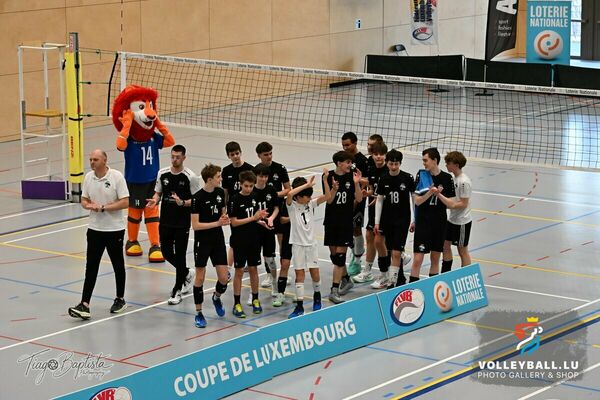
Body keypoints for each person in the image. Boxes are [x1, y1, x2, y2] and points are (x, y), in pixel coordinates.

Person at [68, 149, 129, 320]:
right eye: (90, 159)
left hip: (114, 229)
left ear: (104, 160)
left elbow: (125, 202)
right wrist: (88, 206)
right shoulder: (89, 177)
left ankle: (120, 299)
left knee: (118, 264)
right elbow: (84, 200)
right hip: (95, 229)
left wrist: (103, 208)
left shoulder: (116, 177)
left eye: (95, 159)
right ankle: (84, 304)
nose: (92, 162)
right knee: (91, 267)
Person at [147, 145, 200, 305]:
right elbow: (158, 192)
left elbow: (196, 200)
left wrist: (182, 202)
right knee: (166, 252)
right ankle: (186, 272)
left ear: (184, 158)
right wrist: (155, 200)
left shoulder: (190, 177)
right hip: (165, 220)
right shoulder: (162, 173)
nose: (174, 159)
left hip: (182, 223)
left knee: (181, 254)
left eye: (178, 157)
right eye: (172, 156)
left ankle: (177, 290)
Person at [285, 173, 333, 318]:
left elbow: (328, 196)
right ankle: (299, 306)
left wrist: (325, 180)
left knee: (315, 273)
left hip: (311, 244)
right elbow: (289, 194)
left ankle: (317, 298)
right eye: (306, 196)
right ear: (298, 196)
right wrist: (305, 185)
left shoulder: (310, 204)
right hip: (298, 245)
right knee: (299, 275)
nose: (309, 199)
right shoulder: (291, 206)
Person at [189, 164, 231, 328]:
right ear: (209, 179)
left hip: (217, 239)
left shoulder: (220, 193)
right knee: (200, 277)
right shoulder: (197, 198)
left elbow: (222, 212)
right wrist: (217, 223)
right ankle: (199, 313)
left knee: (224, 278)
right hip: (202, 241)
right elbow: (196, 225)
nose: (220, 179)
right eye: (218, 177)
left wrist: (225, 218)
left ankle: (216, 297)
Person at [409, 148, 456, 282]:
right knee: (418, 259)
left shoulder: (447, 178)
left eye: (426, 160)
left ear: (435, 160)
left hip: (439, 223)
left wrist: (439, 194)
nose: (424, 163)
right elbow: (417, 201)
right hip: (423, 222)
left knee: (435, 258)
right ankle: (412, 287)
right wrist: (430, 193)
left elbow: (451, 204)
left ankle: (432, 287)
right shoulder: (421, 175)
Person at [323, 150, 362, 303]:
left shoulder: (351, 177)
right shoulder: (328, 177)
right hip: (331, 221)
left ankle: (334, 291)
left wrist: (357, 183)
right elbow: (329, 200)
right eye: (347, 162)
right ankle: (346, 279)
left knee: (340, 258)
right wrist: (332, 187)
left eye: (351, 162)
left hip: (345, 223)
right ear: (339, 163)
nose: (350, 165)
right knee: (334, 256)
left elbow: (359, 198)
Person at [373, 149, 416, 288]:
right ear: (387, 163)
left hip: (402, 220)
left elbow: (414, 199)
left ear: (400, 163)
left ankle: (392, 283)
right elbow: (379, 200)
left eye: (396, 164)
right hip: (387, 219)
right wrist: (377, 222)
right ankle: (399, 278)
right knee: (391, 250)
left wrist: (414, 219)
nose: (393, 166)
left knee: (397, 252)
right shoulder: (383, 178)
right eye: (391, 164)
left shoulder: (407, 178)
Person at [229, 170, 269, 318]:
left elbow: (254, 217)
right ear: (241, 184)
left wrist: (260, 221)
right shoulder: (234, 199)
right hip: (239, 240)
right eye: (246, 186)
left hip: (253, 239)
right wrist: (253, 218)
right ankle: (237, 303)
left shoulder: (254, 197)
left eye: (251, 186)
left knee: (253, 269)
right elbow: (234, 222)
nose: (248, 189)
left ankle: (255, 299)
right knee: (239, 271)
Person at [353, 141, 390, 285]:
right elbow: (372, 187)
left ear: (385, 155)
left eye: (381, 154)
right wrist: (368, 193)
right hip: (373, 210)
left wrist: (379, 198)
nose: (378, 157)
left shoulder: (388, 170)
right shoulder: (373, 169)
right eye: (376, 154)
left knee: (379, 241)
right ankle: (367, 271)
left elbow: (390, 192)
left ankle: (385, 274)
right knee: (369, 236)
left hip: (385, 211)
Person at [255, 141, 290, 289]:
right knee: (266, 245)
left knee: (282, 242)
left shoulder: (280, 168)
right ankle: (269, 274)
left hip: (278, 208)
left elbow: (288, 189)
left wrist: (273, 195)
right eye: (266, 154)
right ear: (259, 156)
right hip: (262, 212)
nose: (269, 156)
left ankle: (283, 272)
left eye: (270, 153)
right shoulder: (256, 171)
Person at [434, 151, 472, 271]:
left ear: (456, 165)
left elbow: (464, 203)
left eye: (448, 163)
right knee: (445, 246)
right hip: (451, 220)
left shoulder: (464, 182)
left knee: (462, 251)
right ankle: (446, 272)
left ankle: (466, 275)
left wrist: (448, 204)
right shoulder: (453, 179)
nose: (446, 165)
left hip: (462, 221)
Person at [222, 142, 254, 275]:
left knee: (250, 236)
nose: (235, 156)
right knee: (235, 238)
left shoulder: (249, 169)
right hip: (234, 209)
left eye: (237, 153)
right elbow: (225, 192)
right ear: (228, 156)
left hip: (248, 209)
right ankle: (229, 269)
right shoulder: (226, 171)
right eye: (232, 154)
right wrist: (224, 210)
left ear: (241, 152)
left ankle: (247, 260)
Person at [341, 132, 369, 277]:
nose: (345, 147)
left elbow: (366, 181)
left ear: (355, 143)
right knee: (347, 229)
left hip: (358, 199)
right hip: (344, 198)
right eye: (343, 145)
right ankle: (354, 253)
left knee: (356, 228)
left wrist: (357, 198)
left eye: (348, 145)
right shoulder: (343, 158)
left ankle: (357, 260)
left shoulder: (362, 160)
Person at [252, 164, 280, 302]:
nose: (263, 179)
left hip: (268, 230)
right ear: (255, 176)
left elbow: (276, 207)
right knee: (253, 262)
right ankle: (253, 292)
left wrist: (271, 218)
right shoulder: (251, 191)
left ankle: (274, 284)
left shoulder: (271, 190)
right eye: (260, 176)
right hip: (254, 231)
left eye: (265, 176)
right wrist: (257, 220)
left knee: (270, 259)